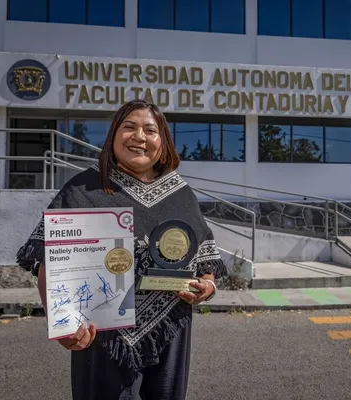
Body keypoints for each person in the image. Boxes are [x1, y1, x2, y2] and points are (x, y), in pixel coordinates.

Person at [15, 99, 228, 400]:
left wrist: (207, 286)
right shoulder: (83, 189)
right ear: (113, 136)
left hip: (170, 332)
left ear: (163, 142)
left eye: (150, 130)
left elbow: (206, 258)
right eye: (129, 127)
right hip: (101, 337)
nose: (139, 137)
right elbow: (49, 262)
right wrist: (61, 324)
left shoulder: (181, 194)